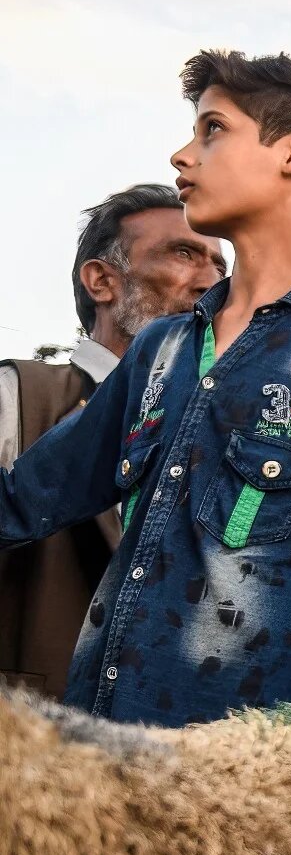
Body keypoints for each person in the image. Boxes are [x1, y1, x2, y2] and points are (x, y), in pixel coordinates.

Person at [0, 51, 291, 726]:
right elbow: (22, 499)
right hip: (98, 749)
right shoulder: (158, 351)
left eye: (212, 131)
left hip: (243, 781)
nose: (182, 155)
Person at [1, 185, 225, 697]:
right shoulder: (17, 395)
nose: (212, 282)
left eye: (221, 267)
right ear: (102, 281)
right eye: (185, 253)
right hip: (30, 748)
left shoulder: (223, 432)